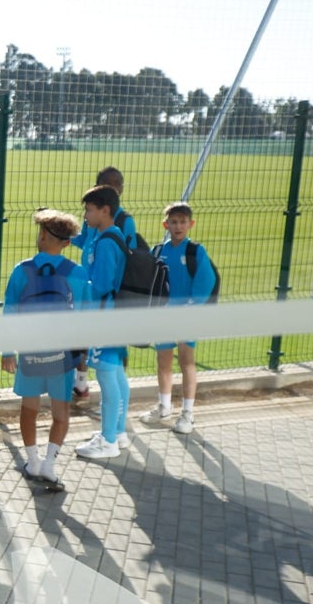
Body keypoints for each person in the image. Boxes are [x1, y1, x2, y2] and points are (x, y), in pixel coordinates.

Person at [0, 209, 90, 488]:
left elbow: (9, 314)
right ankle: (50, 465)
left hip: (30, 353)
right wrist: (82, 365)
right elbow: (84, 322)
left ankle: (33, 460)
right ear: (67, 243)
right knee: (61, 413)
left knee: (29, 409)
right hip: (62, 357)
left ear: (41, 236)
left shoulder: (22, 270)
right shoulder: (77, 273)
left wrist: (6, 352)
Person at [139, 202, 218, 435]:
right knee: (163, 362)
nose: (178, 226)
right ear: (166, 224)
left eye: (183, 222)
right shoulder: (158, 252)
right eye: (173, 222)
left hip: (187, 317)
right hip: (164, 316)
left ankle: (187, 413)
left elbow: (206, 282)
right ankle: (163, 407)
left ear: (190, 224)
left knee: (186, 362)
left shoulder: (195, 251)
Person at [75, 185, 132, 459]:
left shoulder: (107, 242)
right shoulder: (114, 236)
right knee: (117, 375)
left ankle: (108, 440)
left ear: (105, 210)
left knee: (107, 376)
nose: (85, 215)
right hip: (116, 316)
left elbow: (101, 285)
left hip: (103, 317)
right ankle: (118, 433)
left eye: (89, 209)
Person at [70, 167, 136, 400]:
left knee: (110, 367)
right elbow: (86, 243)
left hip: (105, 303)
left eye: (117, 185)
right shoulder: (95, 220)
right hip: (92, 298)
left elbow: (124, 263)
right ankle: (81, 384)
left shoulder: (121, 223)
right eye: (108, 185)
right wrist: (63, 234)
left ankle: (113, 428)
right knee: (84, 344)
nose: (114, 189)